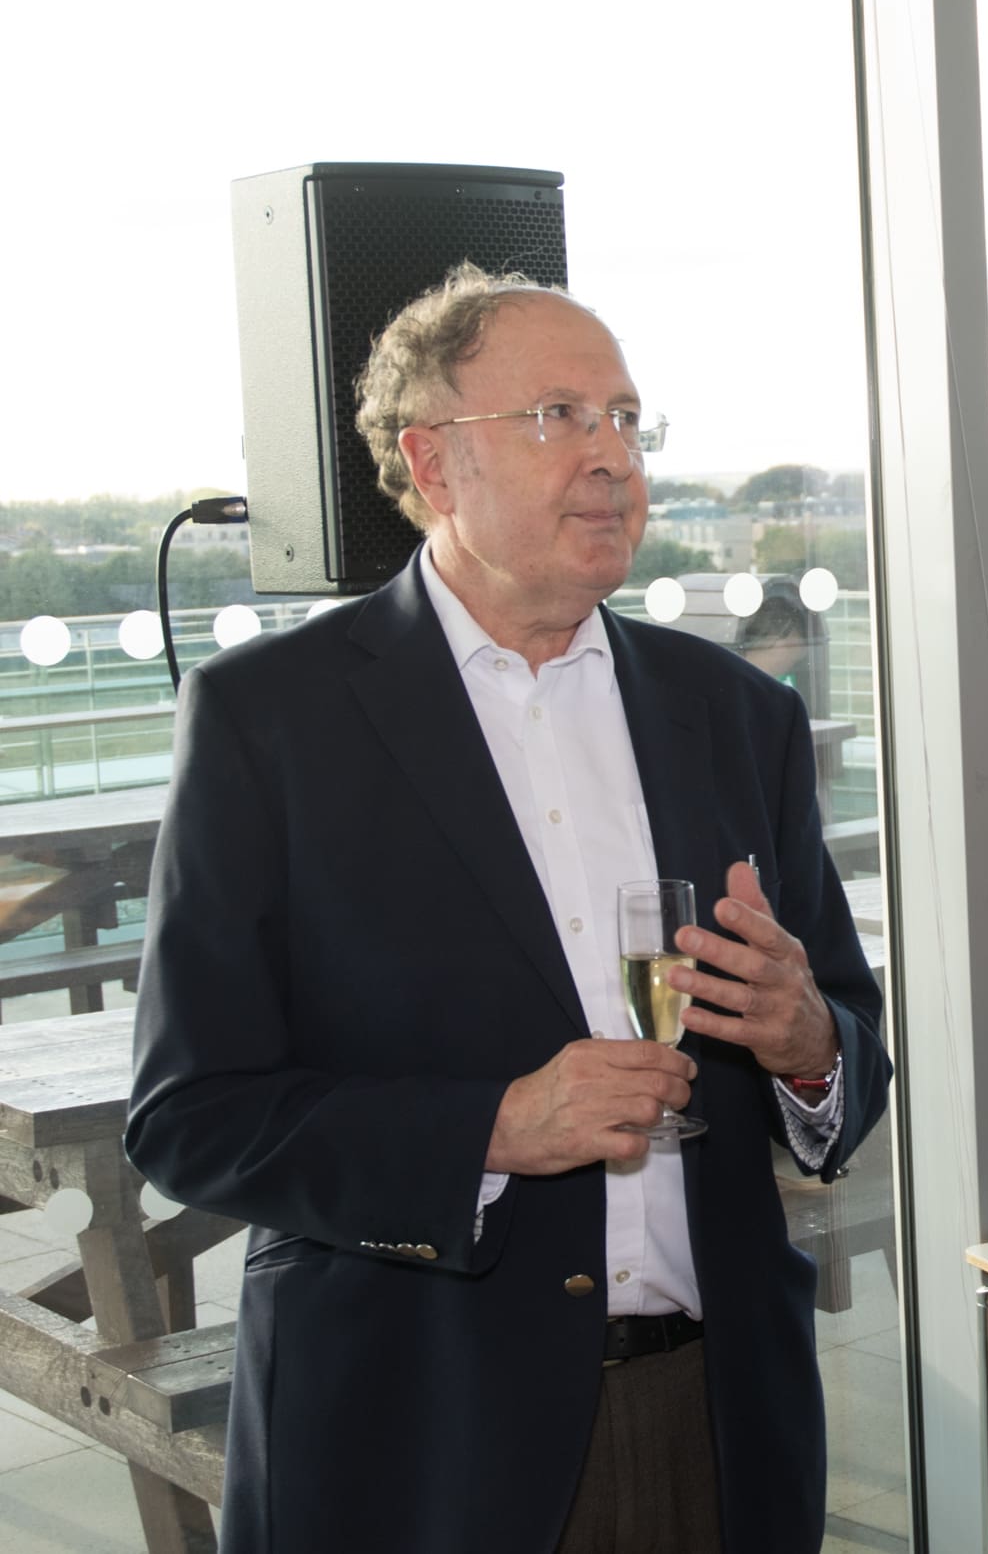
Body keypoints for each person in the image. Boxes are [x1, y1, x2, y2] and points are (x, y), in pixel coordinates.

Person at [127, 264, 891, 1554]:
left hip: (722, 1424)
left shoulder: (737, 717)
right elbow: (190, 1116)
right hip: (418, 1443)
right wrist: (492, 1129)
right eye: (558, 417)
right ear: (433, 467)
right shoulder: (275, 722)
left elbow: (848, 1053)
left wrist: (808, 1043)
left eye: (627, 419)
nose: (611, 457)